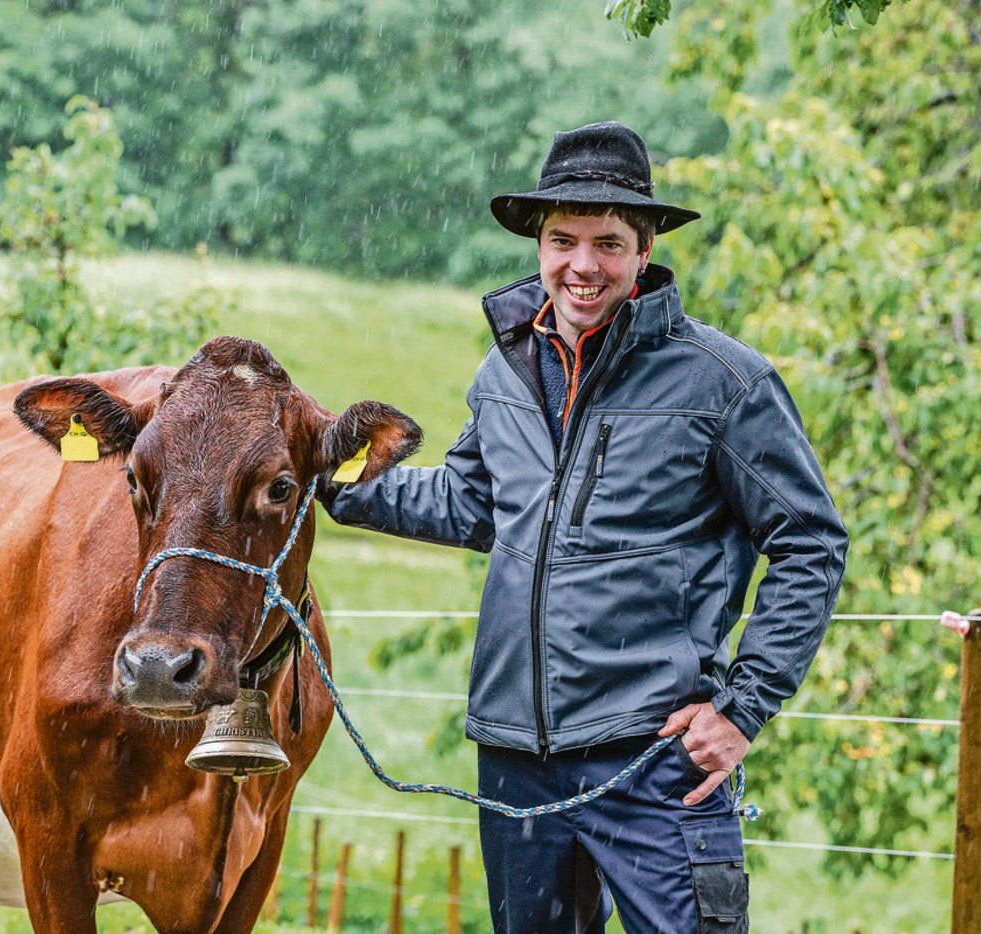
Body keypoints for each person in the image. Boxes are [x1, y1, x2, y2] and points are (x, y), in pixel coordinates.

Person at [321, 122, 848, 932]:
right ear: (539, 244)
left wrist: (742, 709)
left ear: (644, 253)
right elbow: (469, 504)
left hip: (654, 755)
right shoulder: (505, 371)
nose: (582, 266)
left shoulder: (724, 383)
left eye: (608, 243)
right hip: (516, 763)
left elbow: (811, 544)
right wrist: (333, 480)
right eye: (563, 240)